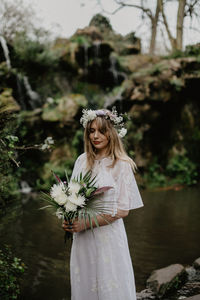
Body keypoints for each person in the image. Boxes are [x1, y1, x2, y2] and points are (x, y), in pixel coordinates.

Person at [62, 108, 144, 300]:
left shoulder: (122, 164)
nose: (95, 136)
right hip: (82, 238)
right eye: (91, 131)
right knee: (85, 282)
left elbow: (122, 210)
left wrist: (86, 223)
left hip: (108, 238)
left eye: (101, 131)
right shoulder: (82, 161)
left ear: (111, 133)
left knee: (110, 283)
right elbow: (71, 199)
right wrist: (67, 221)